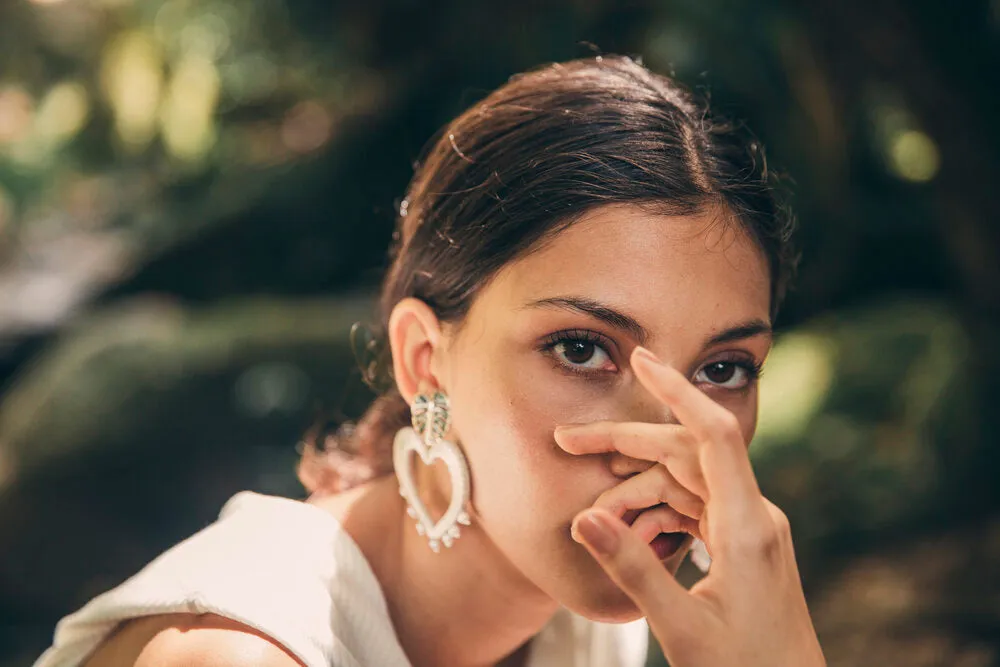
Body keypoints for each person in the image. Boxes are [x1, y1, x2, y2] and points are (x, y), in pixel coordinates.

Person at [34, 55, 825, 667]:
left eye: (722, 369)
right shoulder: (241, 652)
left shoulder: (588, 620)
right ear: (424, 362)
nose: (663, 450)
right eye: (582, 350)